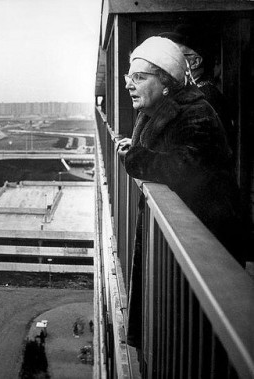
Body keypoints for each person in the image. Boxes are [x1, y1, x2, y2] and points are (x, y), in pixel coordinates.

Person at [116, 36, 248, 349]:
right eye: (128, 77)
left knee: (192, 335)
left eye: (139, 78)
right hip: (182, 239)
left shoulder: (196, 112)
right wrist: (133, 149)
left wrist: (133, 157)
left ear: (166, 82)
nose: (128, 85)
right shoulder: (154, 109)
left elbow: (182, 168)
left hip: (204, 244)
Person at [159, 25, 235, 156]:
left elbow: (193, 157)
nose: (168, 60)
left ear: (195, 62)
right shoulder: (192, 91)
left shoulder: (207, 97)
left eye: (176, 55)